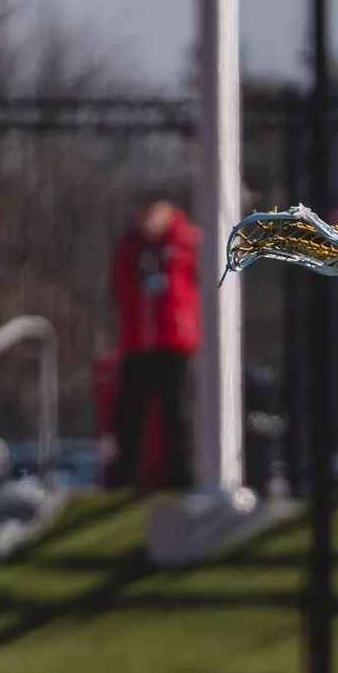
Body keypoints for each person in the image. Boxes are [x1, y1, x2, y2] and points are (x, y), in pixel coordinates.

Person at [106, 192, 201, 491]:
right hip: (138, 339)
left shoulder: (185, 240)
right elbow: (120, 285)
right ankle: (125, 473)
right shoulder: (130, 247)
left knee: (176, 408)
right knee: (129, 409)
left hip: (173, 336)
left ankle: (182, 474)